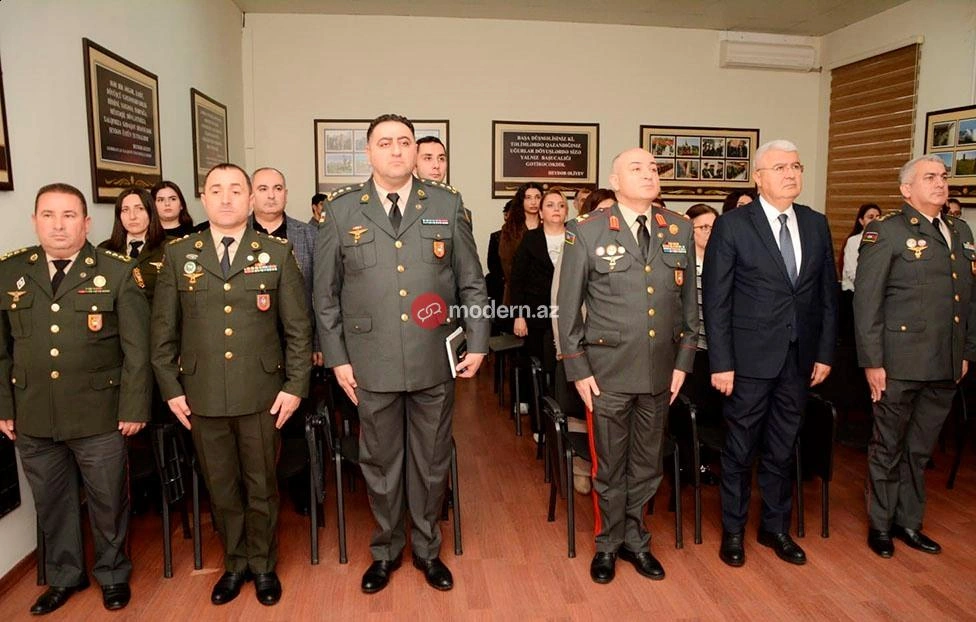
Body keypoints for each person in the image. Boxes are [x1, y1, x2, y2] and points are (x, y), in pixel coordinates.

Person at [314, 114, 489, 595]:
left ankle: (428, 550)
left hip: (434, 356)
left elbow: (471, 281)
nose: (396, 150)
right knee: (381, 462)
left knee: (431, 461)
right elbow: (325, 296)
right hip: (369, 362)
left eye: (404, 142)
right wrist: (338, 358)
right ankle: (387, 550)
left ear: (415, 151)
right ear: (368, 152)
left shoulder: (447, 204)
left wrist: (477, 340)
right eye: (385, 143)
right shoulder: (342, 210)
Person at [151, 164, 312, 607]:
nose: (226, 198)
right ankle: (235, 563)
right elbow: (162, 332)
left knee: (261, 484)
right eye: (217, 190)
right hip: (200, 394)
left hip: (262, 393)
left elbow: (298, 329)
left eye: (236, 190)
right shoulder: (178, 255)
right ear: (203, 199)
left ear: (250, 199)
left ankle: (262, 564)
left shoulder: (276, 253)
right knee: (220, 486)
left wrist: (295, 385)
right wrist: (170, 388)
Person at [0, 183, 151, 614]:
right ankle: (65, 576)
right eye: (48, 215)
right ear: (35, 221)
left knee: (107, 501)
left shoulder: (116, 272)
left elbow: (137, 350)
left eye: (69, 216)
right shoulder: (10, 272)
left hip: (99, 413)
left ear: (85, 223)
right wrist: (4, 406)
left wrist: (133, 407)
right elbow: (2, 350)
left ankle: (113, 573)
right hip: (33, 412)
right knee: (52, 502)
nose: (58, 225)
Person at [557, 147, 698, 584]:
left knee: (647, 465)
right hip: (607, 373)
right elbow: (567, 309)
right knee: (609, 465)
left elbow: (688, 307)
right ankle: (607, 543)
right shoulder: (586, 230)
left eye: (653, 168)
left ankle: (636, 541)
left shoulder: (678, 228)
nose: (649, 173)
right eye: (637, 168)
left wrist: (683, 362)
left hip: (659, 372)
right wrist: (578, 369)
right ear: (616, 182)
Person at [702, 139, 838, 568]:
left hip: (799, 360)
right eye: (780, 167)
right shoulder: (734, 225)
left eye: (796, 166)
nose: (790, 173)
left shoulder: (815, 223)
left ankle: (775, 528)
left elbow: (827, 296)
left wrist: (824, 353)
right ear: (758, 178)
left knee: (783, 447)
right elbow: (716, 300)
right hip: (747, 361)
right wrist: (721, 362)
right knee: (740, 449)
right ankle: (733, 530)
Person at [854, 154, 976, 558]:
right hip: (898, 362)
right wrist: (872, 362)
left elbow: (969, 299)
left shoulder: (959, 230)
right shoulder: (886, 231)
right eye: (929, 177)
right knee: (887, 446)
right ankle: (881, 524)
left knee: (920, 450)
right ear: (907, 189)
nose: (940, 183)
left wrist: (965, 352)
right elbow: (867, 303)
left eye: (943, 176)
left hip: (945, 361)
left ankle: (909, 522)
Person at [511, 188, 567, 379]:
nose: (556, 209)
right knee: (538, 361)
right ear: (541, 213)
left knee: (564, 363)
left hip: (568, 311)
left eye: (561, 205)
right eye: (550, 205)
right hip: (536, 312)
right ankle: (537, 395)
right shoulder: (530, 238)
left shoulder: (576, 237)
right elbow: (517, 280)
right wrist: (519, 315)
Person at [99, 188, 167, 305]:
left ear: (151, 212)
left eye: (139, 209)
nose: (132, 216)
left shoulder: (169, 248)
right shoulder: (105, 249)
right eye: (125, 210)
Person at [839, 203, 882, 343]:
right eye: (870, 217)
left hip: (878, 298)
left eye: (878, 217)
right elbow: (852, 272)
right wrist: (870, 289)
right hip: (855, 296)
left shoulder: (884, 241)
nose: (875, 220)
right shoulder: (853, 241)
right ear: (861, 221)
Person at [499, 182, 543, 305]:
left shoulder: (548, 226)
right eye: (528, 197)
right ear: (521, 201)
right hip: (516, 292)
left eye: (537, 197)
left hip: (544, 292)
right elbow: (506, 261)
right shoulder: (510, 228)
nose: (533, 202)